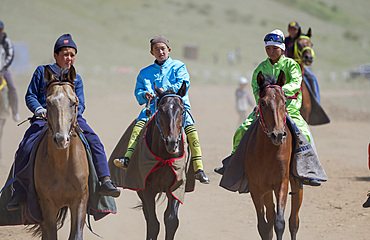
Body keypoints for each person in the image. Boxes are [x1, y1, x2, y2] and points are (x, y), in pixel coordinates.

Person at [7, 34, 120, 211]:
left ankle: (105, 181)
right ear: (56, 55)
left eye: (72, 55)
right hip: (44, 119)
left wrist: (72, 115)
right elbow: (30, 96)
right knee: (25, 147)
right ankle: (19, 190)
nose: (69, 58)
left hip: (70, 119)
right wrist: (40, 110)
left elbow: (80, 103)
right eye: (65, 54)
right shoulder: (41, 72)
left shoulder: (77, 78)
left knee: (95, 141)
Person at [214, 29, 320, 186]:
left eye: (275, 48)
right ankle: (233, 161)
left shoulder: (291, 65)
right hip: (265, 109)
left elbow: (296, 83)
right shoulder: (261, 68)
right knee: (242, 129)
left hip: (288, 108)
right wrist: (261, 101)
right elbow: (256, 87)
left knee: (304, 131)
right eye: (268, 48)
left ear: (282, 48)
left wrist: (277, 93)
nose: (271, 51)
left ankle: (309, 169)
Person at [114, 35, 210, 184]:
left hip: (177, 109)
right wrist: (144, 94)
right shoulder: (144, 73)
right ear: (152, 52)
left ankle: (198, 169)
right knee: (137, 128)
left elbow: (183, 83)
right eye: (156, 49)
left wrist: (164, 92)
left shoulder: (179, 66)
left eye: (163, 48)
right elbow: (138, 91)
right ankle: (128, 158)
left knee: (191, 131)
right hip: (153, 109)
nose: (160, 52)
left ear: (169, 50)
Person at [0, 20, 20, 122]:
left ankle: (15, 111)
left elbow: (10, 55)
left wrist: (3, 69)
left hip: (3, 70)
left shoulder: (6, 42)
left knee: (12, 87)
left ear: (2, 30)